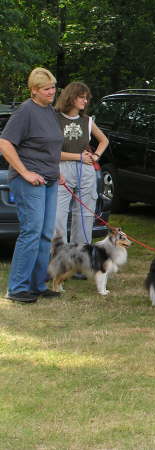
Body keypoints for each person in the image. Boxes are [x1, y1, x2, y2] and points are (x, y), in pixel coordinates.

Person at [0, 68, 64, 303]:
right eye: (46, 89)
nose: (52, 92)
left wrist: (57, 171)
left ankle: (37, 284)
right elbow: (5, 143)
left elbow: (50, 146)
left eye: (53, 87)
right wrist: (25, 172)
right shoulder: (25, 111)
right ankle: (17, 288)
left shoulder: (49, 110)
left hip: (50, 179)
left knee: (46, 234)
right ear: (34, 90)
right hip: (29, 182)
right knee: (31, 232)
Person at [54, 82, 109, 257]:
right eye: (81, 97)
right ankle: (60, 259)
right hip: (62, 169)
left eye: (87, 98)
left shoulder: (87, 120)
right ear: (71, 97)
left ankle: (81, 259)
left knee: (85, 215)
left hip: (86, 171)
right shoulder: (55, 118)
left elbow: (104, 140)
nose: (85, 101)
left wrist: (96, 156)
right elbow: (51, 151)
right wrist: (78, 157)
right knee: (58, 217)